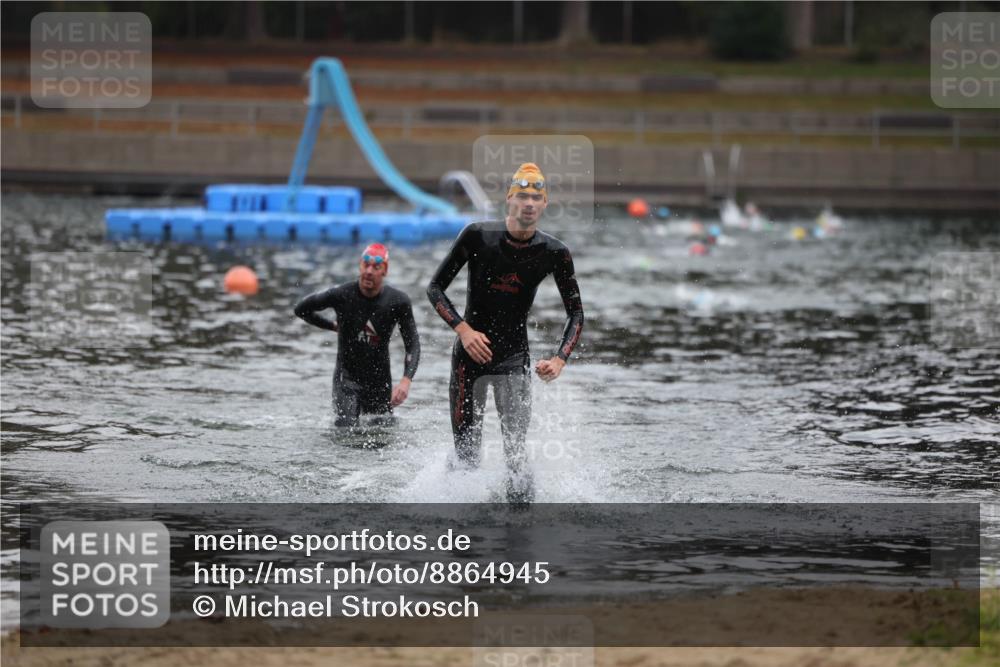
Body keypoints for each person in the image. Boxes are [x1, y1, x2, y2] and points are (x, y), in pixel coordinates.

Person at [426, 162, 584, 503]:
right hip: (469, 360)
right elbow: (435, 288)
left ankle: (520, 535)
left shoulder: (554, 252)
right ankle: (461, 534)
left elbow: (576, 313)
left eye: (536, 198)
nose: (529, 203)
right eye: (522, 196)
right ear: (509, 200)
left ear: (545, 205)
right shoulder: (477, 236)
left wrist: (560, 359)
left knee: (516, 455)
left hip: (514, 359)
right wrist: (463, 330)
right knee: (467, 455)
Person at [295, 243, 420, 427]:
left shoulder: (398, 301)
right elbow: (301, 309)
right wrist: (331, 326)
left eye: (376, 267)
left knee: (381, 436)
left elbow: (413, 344)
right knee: (346, 433)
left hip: (379, 383)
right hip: (347, 380)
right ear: (360, 266)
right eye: (365, 265)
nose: (369, 271)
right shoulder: (341, 294)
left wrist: (405, 380)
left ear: (384, 271)